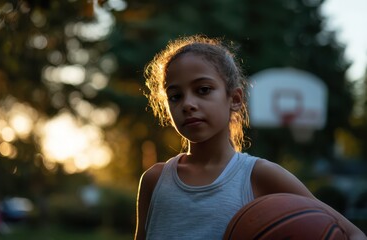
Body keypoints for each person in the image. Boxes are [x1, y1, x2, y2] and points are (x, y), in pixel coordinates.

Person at [135, 35, 366, 240]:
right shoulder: (154, 180)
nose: (188, 104)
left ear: (235, 99)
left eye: (203, 90)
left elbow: (354, 234)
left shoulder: (257, 175)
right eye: (175, 96)